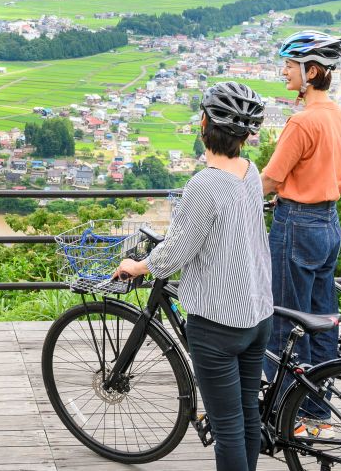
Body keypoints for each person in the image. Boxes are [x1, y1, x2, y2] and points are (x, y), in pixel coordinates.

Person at [115, 82, 272, 471]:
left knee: (228, 426)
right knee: (248, 414)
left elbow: (177, 251)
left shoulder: (203, 185)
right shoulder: (249, 174)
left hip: (217, 324)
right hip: (257, 313)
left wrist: (139, 265)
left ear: (205, 124)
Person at [260, 31, 341, 438]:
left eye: (290, 65)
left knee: (283, 320)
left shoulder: (302, 122)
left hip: (296, 224)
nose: (284, 71)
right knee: (320, 320)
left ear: (311, 71)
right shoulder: (340, 116)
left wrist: (229, 195)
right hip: (329, 223)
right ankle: (317, 412)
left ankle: (281, 412)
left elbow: (271, 178)